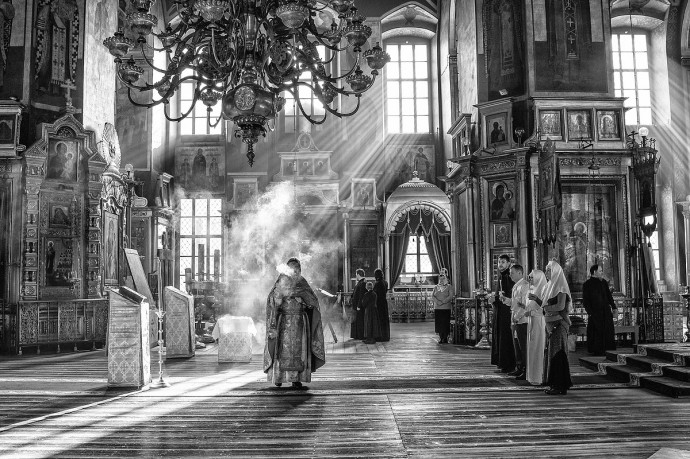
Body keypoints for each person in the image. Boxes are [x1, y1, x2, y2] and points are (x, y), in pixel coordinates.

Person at [263, 258, 326, 388]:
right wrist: (278, 298)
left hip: (299, 322)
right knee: (281, 350)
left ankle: (296, 378)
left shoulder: (302, 282)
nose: (295, 271)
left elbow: (313, 301)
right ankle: (279, 377)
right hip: (283, 322)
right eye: (293, 268)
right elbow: (271, 299)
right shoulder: (281, 280)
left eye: (297, 268)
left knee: (299, 351)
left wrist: (303, 299)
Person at [540, 260, 573, 395]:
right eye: (546, 270)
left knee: (557, 355)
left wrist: (547, 308)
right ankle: (554, 383)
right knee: (551, 354)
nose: (546, 272)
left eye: (549, 270)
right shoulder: (550, 286)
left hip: (558, 326)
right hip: (550, 325)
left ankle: (559, 386)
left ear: (556, 272)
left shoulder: (561, 287)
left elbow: (560, 306)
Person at [582, 264, 617, 356]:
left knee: (607, 330)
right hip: (595, 313)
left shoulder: (603, 282)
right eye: (600, 271)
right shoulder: (587, 284)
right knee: (596, 332)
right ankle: (597, 351)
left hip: (606, 311)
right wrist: (590, 312)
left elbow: (609, 296)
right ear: (594, 272)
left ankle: (608, 350)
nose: (602, 272)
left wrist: (614, 307)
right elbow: (586, 300)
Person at [491, 254, 515, 373]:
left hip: (505, 312)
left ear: (509, 263)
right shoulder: (501, 276)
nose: (500, 264)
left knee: (505, 337)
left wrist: (495, 299)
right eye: (499, 262)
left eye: (503, 262)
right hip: (500, 311)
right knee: (500, 335)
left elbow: (508, 295)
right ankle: (502, 362)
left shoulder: (508, 276)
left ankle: (507, 364)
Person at [525, 269, 547, 385]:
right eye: (529, 277)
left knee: (538, 348)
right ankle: (532, 376)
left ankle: (539, 376)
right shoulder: (532, 289)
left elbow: (544, 308)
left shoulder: (544, 289)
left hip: (539, 322)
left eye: (532, 277)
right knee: (532, 348)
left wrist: (532, 312)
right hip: (531, 322)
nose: (530, 279)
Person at [507, 264, 529, 380]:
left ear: (520, 273)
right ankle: (519, 367)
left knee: (523, 346)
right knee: (516, 345)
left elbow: (525, 305)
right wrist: (507, 301)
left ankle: (525, 370)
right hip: (515, 319)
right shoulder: (516, 285)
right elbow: (515, 303)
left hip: (522, 320)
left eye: (512, 273)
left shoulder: (525, 286)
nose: (510, 275)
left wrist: (517, 317)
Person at [432, 273, 454, 344]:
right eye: (440, 279)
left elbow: (451, 296)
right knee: (439, 323)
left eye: (443, 279)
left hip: (446, 308)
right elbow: (432, 296)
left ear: (446, 279)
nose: (441, 280)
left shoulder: (449, 286)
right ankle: (441, 337)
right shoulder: (436, 287)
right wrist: (438, 302)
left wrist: (443, 301)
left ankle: (445, 338)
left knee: (445, 323)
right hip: (437, 308)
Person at [373, 269, 390, 342]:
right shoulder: (385, 282)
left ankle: (380, 336)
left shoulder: (378, 283)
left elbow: (375, 294)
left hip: (379, 303)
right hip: (384, 303)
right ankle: (386, 336)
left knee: (379, 320)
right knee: (385, 320)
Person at [350, 268, 367, 340]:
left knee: (360, 321)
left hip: (359, 306)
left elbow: (361, 295)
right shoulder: (360, 282)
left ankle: (360, 335)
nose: (356, 276)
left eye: (356, 274)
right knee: (357, 321)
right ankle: (357, 335)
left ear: (359, 275)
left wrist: (359, 305)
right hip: (356, 306)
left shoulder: (362, 283)